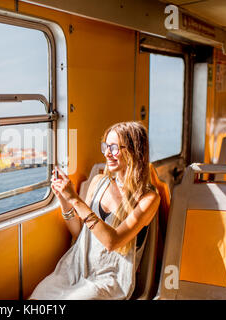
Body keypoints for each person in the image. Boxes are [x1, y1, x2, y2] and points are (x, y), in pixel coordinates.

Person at [29, 121, 160, 300]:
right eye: (106, 146)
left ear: (133, 151)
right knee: (39, 295)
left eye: (114, 147)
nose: (107, 153)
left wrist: (75, 199)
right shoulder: (99, 181)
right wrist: (64, 200)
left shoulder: (148, 199)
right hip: (76, 266)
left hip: (109, 279)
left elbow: (112, 242)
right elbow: (80, 233)